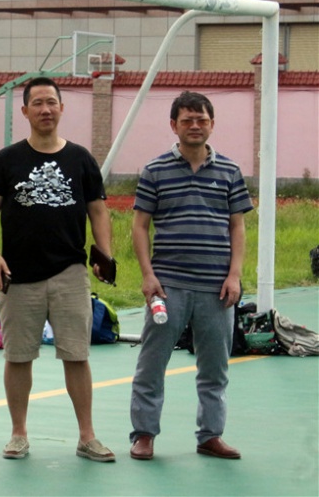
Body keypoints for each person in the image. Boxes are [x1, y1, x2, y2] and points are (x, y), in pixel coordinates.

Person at [0, 76, 115, 463]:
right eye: (37, 103)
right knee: (18, 356)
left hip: (70, 271)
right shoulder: (7, 160)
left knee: (77, 355)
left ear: (62, 108)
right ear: (25, 111)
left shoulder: (81, 159)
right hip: (18, 274)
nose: (45, 109)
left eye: (51, 102)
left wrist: (105, 255)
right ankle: (18, 434)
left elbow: (98, 211)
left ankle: (87, 436)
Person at [128, 91, 253, 461]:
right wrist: (148, 275)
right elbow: (139, 226)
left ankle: (210, 435)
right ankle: (144, 435)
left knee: (215, 368)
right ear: (174, 125)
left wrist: (234, 275)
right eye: (187, 120)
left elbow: (237, 227)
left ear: (212, 125)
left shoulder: (230, 171)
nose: (195, 126)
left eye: (202, 120)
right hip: (168, 286)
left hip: (217, 288)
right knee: (152, 364)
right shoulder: (155, 170)